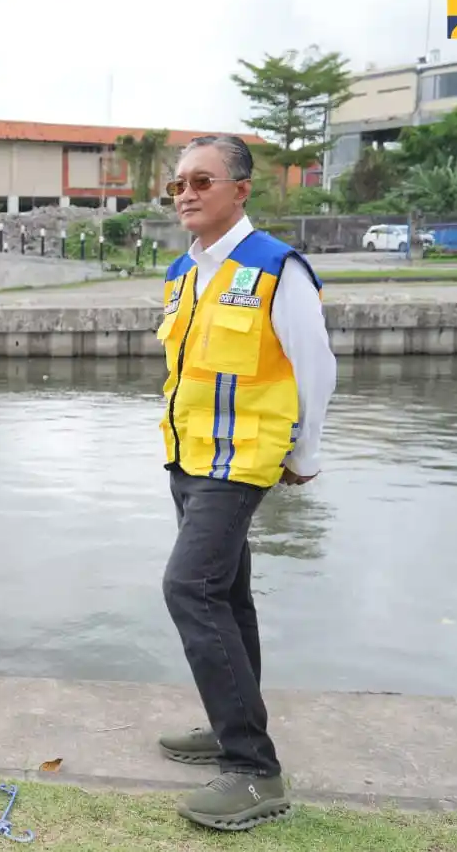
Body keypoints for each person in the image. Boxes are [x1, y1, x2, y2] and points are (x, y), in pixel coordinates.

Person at [153, 135, 337, 831]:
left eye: (202, 180)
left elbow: (314, 366)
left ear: (240, 189)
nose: (186, 193)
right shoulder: (184, 271)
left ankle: (255, 770)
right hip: (190, 458)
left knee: (188, 586)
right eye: (177, 184)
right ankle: (230, 719)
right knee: (226, 591)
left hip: (241, 461)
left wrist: (306, 453)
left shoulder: (273, 267)